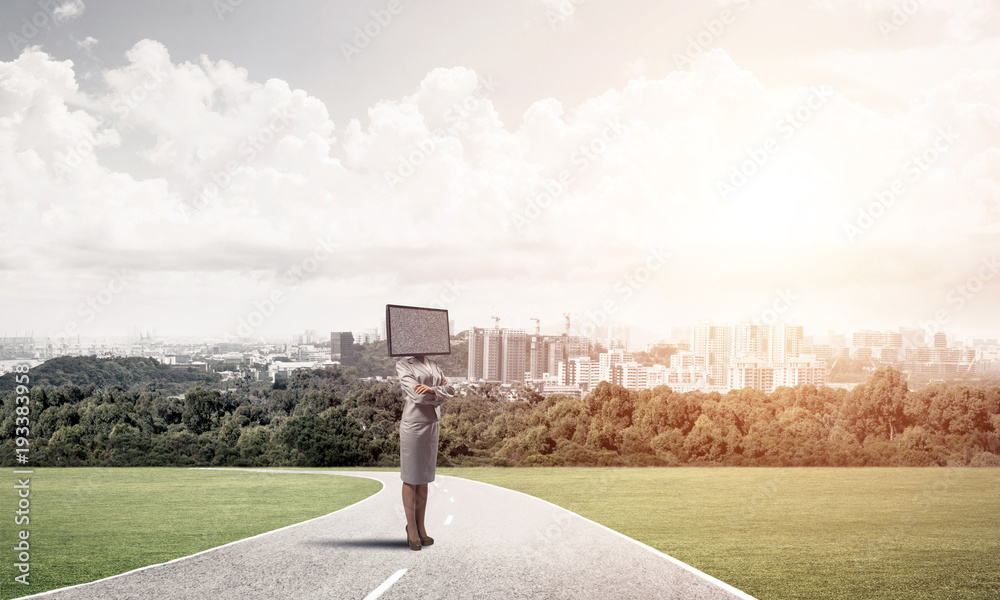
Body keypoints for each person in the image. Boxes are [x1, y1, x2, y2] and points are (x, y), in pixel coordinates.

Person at [396, 354, 456, 551]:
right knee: (411, 477)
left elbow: (452, 389)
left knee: (424, 478)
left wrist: (433, 389)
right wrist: (439, 392)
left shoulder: (432, 364)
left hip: (432, 424)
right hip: (413, 425)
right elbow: (418, 396)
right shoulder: (404, 364)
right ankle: (411, 528)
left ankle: (421, 527)